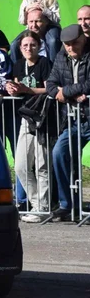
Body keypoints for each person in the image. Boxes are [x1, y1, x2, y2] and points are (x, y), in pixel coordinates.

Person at [7, 31, 53, 223]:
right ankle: (38, 204)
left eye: (32, 45)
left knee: (42, 165)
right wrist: (11, 88)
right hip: (26, 118)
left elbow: (49, 88)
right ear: (20, 48)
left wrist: (28, 90)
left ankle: (43, 208)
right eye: (25, 45)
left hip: (43, 117)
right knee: (21, 165)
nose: (28, 48)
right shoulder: (18, 65)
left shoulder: (44, 63)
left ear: (39, 45)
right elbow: (17, 88)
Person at [45, 24, 90, 220]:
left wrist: (67, 91)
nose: (71, 48)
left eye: (74, 43)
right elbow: (50, 84)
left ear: (83, 39)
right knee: (59, 152)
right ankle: (67, 204)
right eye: (67, 44)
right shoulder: (61, 57)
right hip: (73, 118)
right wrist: (61, 94)